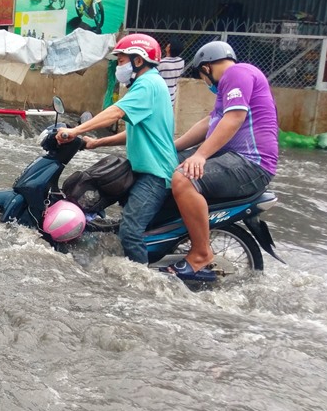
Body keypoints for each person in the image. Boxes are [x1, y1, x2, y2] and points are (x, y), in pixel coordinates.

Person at [55, 33, 177, 264]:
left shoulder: (147, 84)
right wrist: (96, 142)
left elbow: (116, 113)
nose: (118, 67)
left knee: (130, 232)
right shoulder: (148, 83)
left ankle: (141, 285)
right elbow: (134, 133)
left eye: (121, 61)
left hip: (155, 175)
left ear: (138, 61)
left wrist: (75, 131)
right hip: (144, 171)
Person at [164, 40, 278, 281]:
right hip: (231, 158)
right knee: (164, 165)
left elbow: (234, 118)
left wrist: (200, 155)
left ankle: (201, 255)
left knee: (184, 178)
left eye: (201, 76)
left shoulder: (237, 73)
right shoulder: (230, 83)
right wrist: (170, 149)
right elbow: (209, 123)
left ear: (206, 68)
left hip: (251, 164)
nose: (205, 83)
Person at [156, 38, 185, 107]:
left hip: (160, 95)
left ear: (169, 49)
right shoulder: (181, 61)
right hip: (172, 95)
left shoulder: (161, 63)